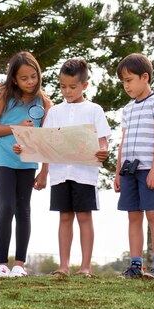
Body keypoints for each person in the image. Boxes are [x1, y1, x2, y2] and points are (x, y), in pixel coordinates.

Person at [17, 57, 110, 277]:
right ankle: (64, 266)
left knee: (84, 216)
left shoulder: (94, 110)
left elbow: (103, 138)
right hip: (60, 174)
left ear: (85, 85)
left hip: (85, 173)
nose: (67, 91)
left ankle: (86, 267)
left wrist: (103, 149)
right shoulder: (55, 111)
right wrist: (43, 171)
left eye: (72, 87)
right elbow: (46, 143)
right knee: (64, 216)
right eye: (63, 86)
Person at [0, 51, 51, 278]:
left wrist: (44, 172)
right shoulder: (3, 96)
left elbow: (48, 139)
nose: (30, 82)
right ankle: (2, 264)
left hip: (28, 162)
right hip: (4, 160)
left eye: (33, 76)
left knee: (24, 210)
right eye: (24, 78)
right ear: (14, 79)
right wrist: (16, 127)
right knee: (7, 206)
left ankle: (19, 265)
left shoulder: (44, 102)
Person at [114, 52, 154, 280]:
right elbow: (123, 141)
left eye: (129, 80)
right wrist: (117, 171)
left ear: (144, 77)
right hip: (128, 170)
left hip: (149, 169)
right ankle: (135, 266)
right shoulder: (127, 109)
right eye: (123, 82)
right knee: (133, 216)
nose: (126, 86)